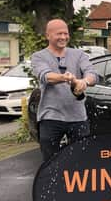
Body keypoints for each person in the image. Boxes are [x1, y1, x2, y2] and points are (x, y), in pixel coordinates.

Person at [31, 19, 98, 162]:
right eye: (58, 34)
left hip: (78, 117)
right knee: (50, 161)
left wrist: (84, 81)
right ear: (48, 36)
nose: (63, 37)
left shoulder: (79, 55)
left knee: (81, 159)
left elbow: (93, 74)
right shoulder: (38, 56)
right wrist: (65, 77)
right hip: (51, 117)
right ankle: (52, 184)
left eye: (66, 33)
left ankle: (77, 184)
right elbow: (45, 76)